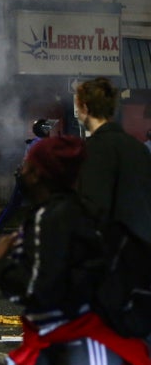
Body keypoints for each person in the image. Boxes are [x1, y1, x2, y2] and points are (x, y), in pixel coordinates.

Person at [0, 134, 151, 365]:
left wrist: (2, 262)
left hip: (86, 337)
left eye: (26, 165)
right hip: (51, 337)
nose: (20, 171)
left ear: (38, 172)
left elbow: (37, 290)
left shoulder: (54, 216)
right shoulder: (56, 212)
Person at [75, 77, 151, 246]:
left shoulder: (93, 149)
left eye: (77, 107)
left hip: (111, 255)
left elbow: (94, 208)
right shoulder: (139, 148)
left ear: (85, 108)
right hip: (142, 251)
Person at [0, 118, 54, 239]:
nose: (49, 131)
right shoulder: (39, 144)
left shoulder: (36, 142)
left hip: (26, 177)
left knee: (16, 205)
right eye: (47, 129)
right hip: (30, 179)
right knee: (32, 205)